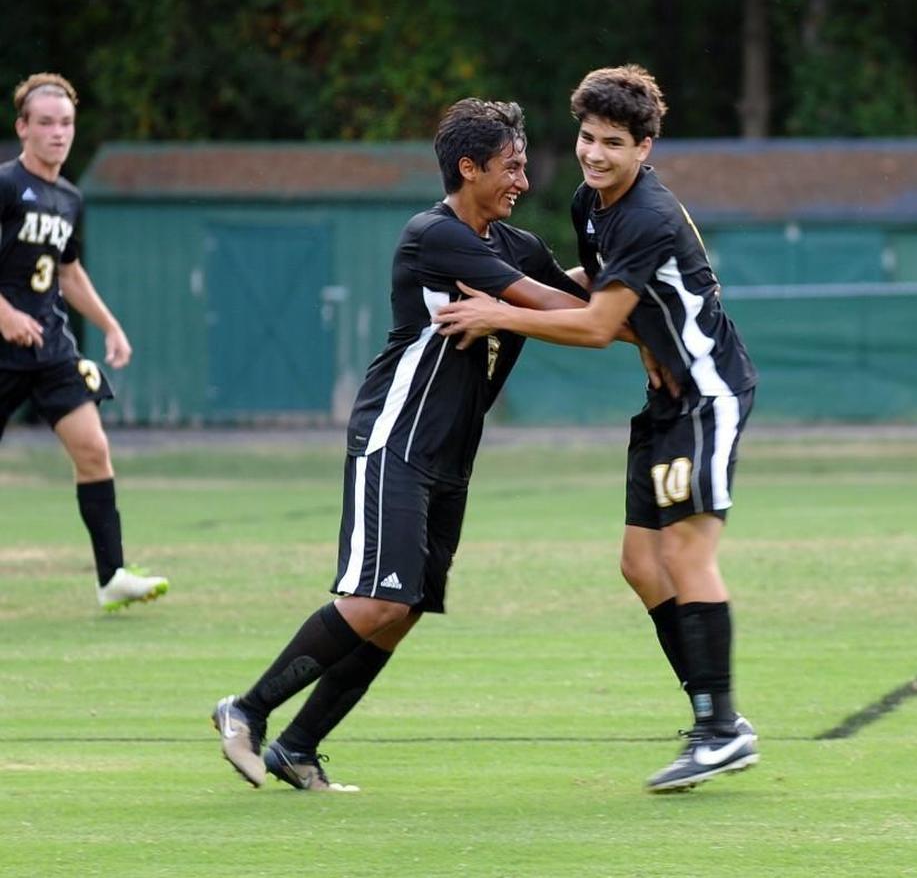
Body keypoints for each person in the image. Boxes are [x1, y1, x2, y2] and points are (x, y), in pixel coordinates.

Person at [212, 98, 622, 791]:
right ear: (469, 168)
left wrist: (638, 272)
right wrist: (609, 307)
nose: (522, 180)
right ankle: (246, 711)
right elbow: (555, 306)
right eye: (511, 166)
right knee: (375, 602)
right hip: (394, 440)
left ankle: (298, 745)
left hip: (452, 458)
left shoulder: (514, 245)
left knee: (399, 616)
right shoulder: (435, 235)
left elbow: (575, 293)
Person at [435, 64, 760, 793]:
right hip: (665, 400)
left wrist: (496, 310)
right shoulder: (591, 203)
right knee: (641, 567)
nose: (596, 153)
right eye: (587, 137)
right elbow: (595, 289)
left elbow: (595, 324)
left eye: (614, 142)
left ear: (645, 148)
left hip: (707, 394)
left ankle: (718, 729)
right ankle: (718, 720)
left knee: (685, 550)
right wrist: (522, 291)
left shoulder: (647, 214)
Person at [0, 73, 168, 611]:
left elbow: (68, 274)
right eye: (45, 122)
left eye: (66, 122)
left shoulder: (69, 198)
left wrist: (111, 324)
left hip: (49, 347)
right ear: (22, 127)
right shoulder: (5, 186)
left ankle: (111, 576)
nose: (58, 132)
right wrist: (2, 312)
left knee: (93, 449)